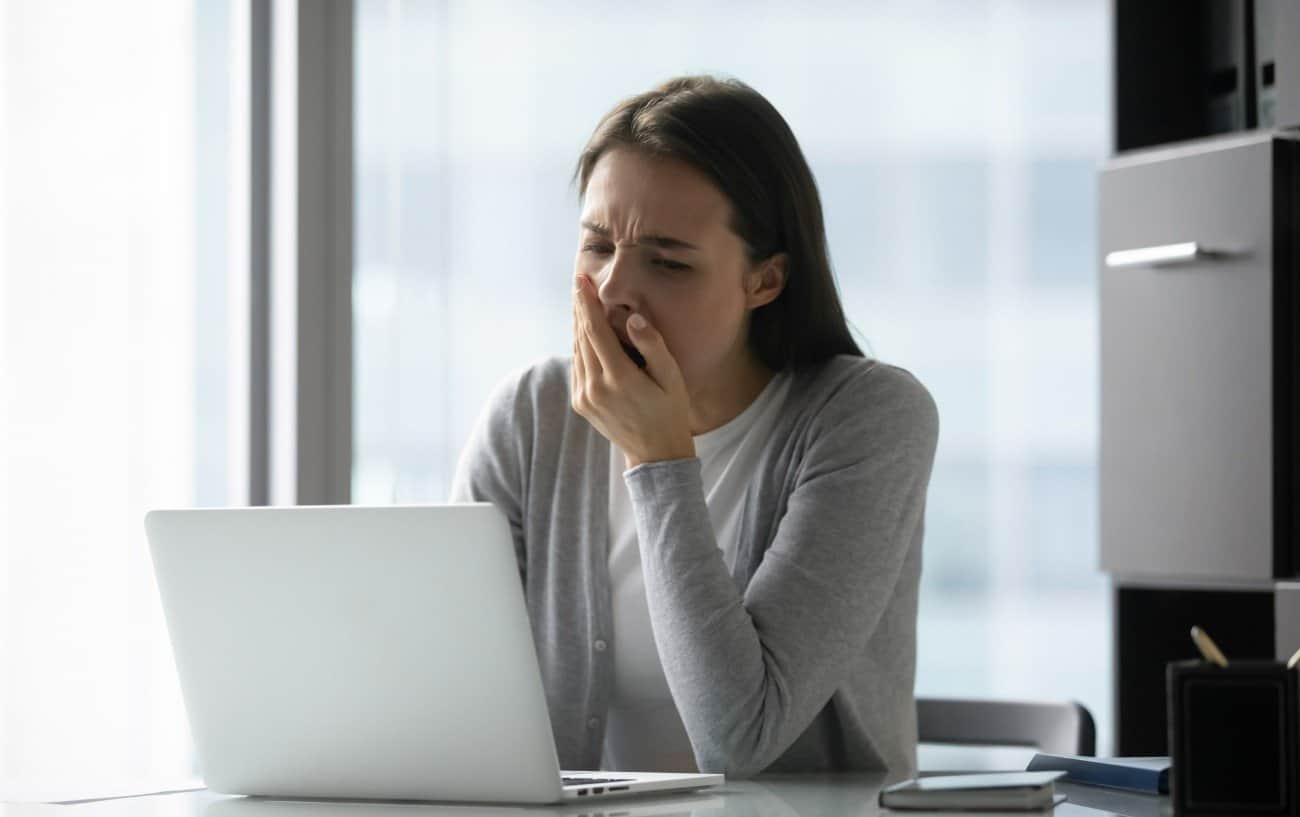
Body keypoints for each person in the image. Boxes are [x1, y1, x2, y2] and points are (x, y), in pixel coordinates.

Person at [449, 75, 939, 779]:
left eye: (667, 261)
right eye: (597, 247)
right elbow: (449, 687)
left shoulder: (871, 419)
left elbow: (738, 737)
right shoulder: (532, 415)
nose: (614, 289)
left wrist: (657, 458)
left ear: (764, 281)